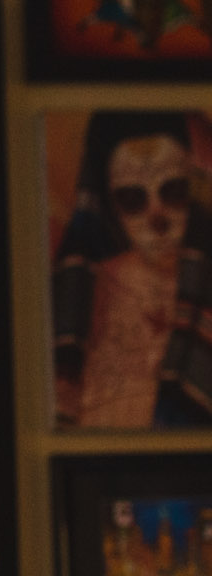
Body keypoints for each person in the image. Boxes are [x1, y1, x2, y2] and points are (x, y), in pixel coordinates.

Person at [51, 110, 212, 430]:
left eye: (173, 191)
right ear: (111, 206)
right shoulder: (89, 292)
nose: (158, 219)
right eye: (133, 198)